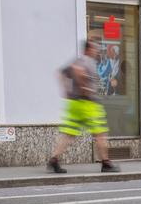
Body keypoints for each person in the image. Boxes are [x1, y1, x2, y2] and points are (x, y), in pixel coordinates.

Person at [47, 39, 119, 173]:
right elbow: (78, 71)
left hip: (74, 104)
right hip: (89, 104)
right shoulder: (87, 61)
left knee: (68, 134)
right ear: (88, 49)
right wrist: (84, 86)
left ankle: (54, 159)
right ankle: (106, 163)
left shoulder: (77, 60)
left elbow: (61, 73)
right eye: (94, 49)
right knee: (100, 133)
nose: (96, 51)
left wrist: (66, 90)